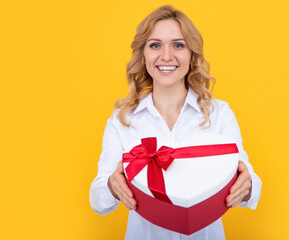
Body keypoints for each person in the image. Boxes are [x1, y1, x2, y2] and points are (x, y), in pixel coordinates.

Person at [89, 5, 262, 240]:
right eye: (155, 45)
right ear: (143, 54)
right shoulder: (122, 119)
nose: (167, 56)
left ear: (192, 54)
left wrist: (246, 185)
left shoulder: (219, 113)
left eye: (178, 45)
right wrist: (112, 185)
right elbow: (98, 201)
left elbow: (251, 185)